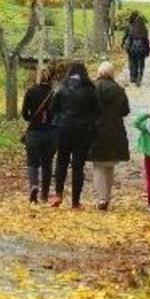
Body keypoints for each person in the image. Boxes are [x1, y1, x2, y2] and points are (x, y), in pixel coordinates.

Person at [49, 61, 101, 210]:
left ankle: (58, 194)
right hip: (83, 131)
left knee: (61, 162)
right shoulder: (90, 89)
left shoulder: (61, 88)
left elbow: (52, 109)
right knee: (78, 166)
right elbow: (98, 111)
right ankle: (75, 202)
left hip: (63, 129)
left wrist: (61, 118)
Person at [89, 61, 130, 211]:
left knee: (98, 165)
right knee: (109, 165)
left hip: (96, 129)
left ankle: (101, 198)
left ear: (99, 73)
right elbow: (125, 110)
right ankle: (107, 197)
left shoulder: (92, 88)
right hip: (114, 130)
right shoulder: (119, 90)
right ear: (112, 73)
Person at [21, 68, 57, 204]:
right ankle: (45, 194)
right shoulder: (54, 94)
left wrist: (32, 118)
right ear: (50, 78)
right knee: (47, 164)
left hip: (34, 132)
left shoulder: (30, 92)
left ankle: (34, 185)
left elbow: (24, 114)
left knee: (32, 162)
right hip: (51, 134)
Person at [120, 11, 149, 86]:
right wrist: (148, 50)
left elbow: (127, 38)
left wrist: (123, 44)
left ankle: (133, 77)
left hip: (132, 49)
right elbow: (146, 41)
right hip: (142, 50)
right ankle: (139, 76)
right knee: (141, 63)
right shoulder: (144, 29)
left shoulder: (130, 28)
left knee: (133, 63)